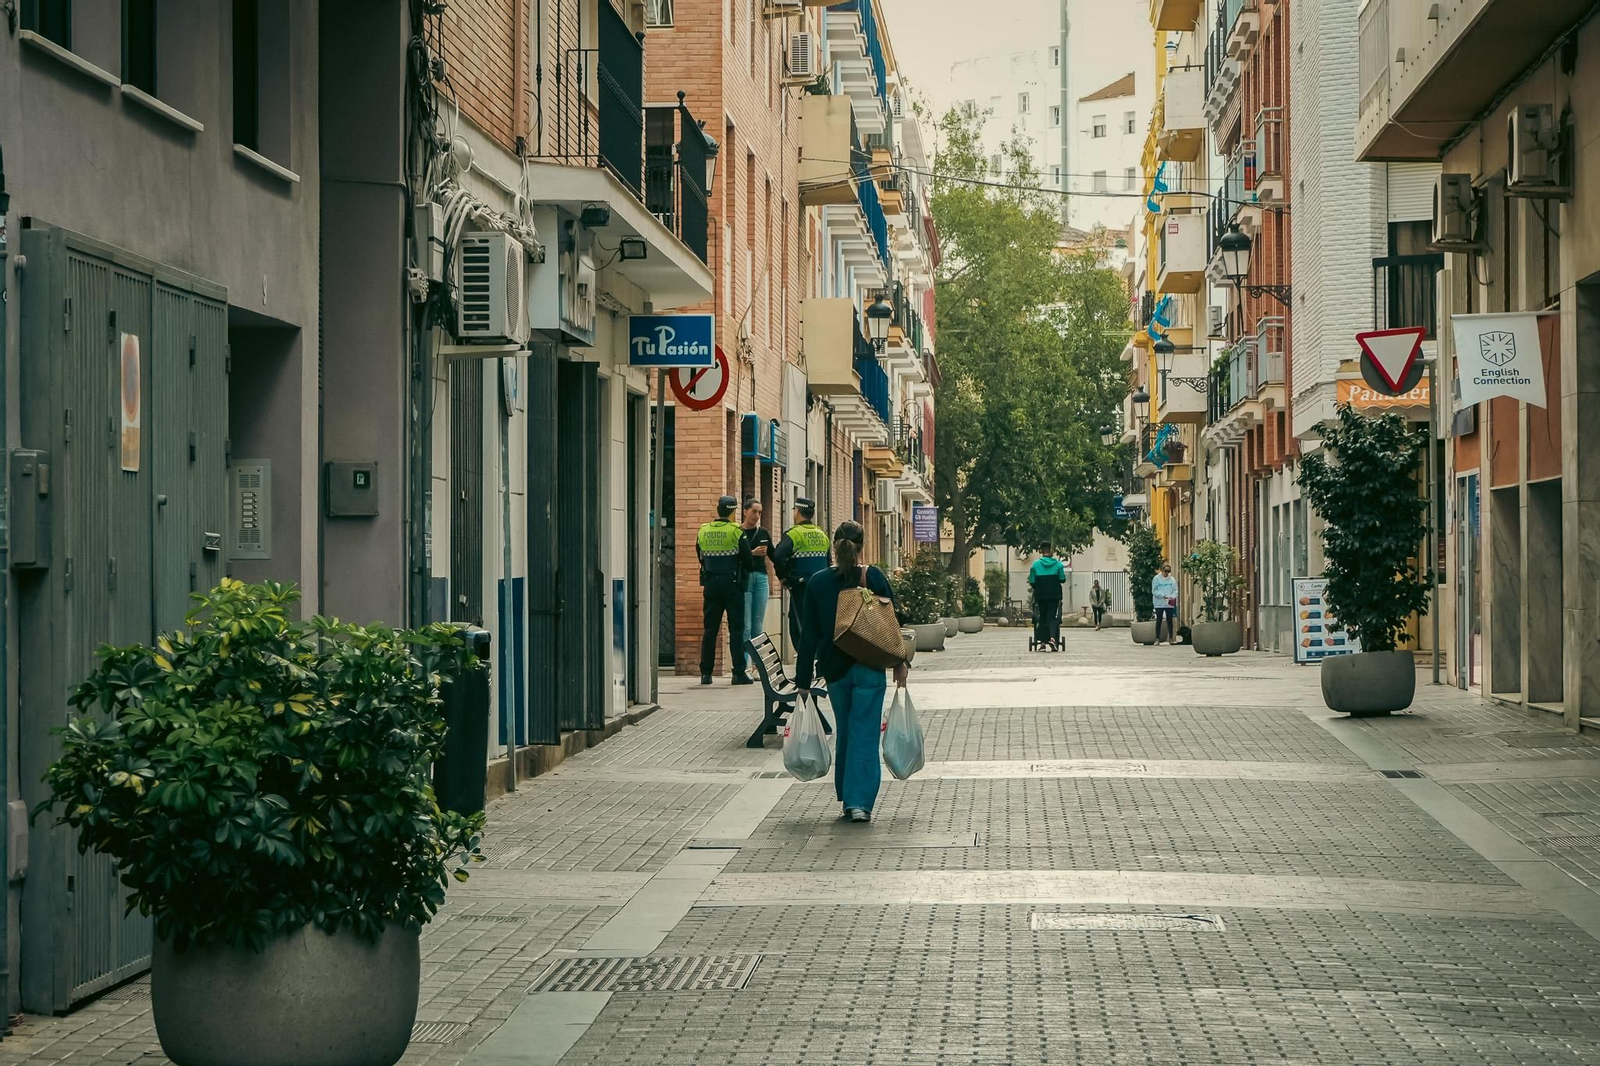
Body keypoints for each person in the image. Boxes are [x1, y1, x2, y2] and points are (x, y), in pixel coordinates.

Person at [794, 521, 907, 824]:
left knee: (845, 731)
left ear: (834, 546)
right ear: (861, 547)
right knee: (865, 734)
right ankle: (859, 803)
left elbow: (809, 636)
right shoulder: (873, 577)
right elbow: (893, 622)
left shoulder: (818, 582)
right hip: (870, 666)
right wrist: (900, 662)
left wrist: (803, 681)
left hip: (835, 670)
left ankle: (847, 797)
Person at [696, 495, 753, 686]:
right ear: (733, 512)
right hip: (732, 584)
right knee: (736, 629)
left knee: (710, 629)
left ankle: (706, 674)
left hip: (711, 583)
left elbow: (700, 556)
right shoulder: (736, 531)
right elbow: (748, 560)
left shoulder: (703, 530)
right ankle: (739, 673)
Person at [772, 497, 831, 671]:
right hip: (822, 589)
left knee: (800, 627)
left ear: (797, 511)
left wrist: (783, 578)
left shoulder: (793, 534)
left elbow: (778, 556)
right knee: (819, 625)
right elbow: (828, 562)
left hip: (801, 587)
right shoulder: (822, 534)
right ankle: (820, 666)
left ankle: (806, 666)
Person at [740, 498, 775, 646]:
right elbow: (734, 556)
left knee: (758, 623)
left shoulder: (763, 532)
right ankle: (744, 659)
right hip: (745, 578)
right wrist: (752, 553)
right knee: (746, 625)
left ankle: (756, 658)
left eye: (760, 512)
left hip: (761, 578)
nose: (757, 516)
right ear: (745, 511)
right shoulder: (738, 532)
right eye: (754, 511)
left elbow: (773, 555)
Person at [1027, 547, 1067, 650]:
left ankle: (1043, 642)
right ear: (1051, 552)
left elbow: (1032, 581)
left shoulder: (1035, 565)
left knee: (1042, 616)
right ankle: (1053, 638)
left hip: (1041, 595)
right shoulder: (1058, 565)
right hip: (1054, 595)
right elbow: (1062, 579)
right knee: (1052, 616)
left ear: (1041, 552)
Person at [1152, 563, 1179, 644]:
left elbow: (1175, 591)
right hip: (1159, 603)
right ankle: (1157, 638)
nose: (1167, 573)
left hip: (1169, 603)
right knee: (1159, 620)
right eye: (1165, 571)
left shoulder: (1172, 580)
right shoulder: (1156, 579)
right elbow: (1154, 591)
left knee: (1169, 620)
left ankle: (1170, 638)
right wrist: (1162, 595)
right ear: (1162, 570)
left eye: (1168, 571)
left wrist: (1172, 597)